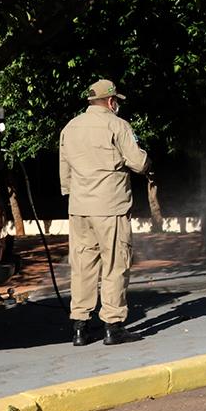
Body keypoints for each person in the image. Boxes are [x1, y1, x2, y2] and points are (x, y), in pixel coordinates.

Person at [59, 79, 150, 346]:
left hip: (79, 208)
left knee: (83, 265)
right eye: (116, 101)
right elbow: (138, 162)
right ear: (111, 102)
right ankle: (113, 325)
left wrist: (72, 194)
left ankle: (80, 326)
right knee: (115, 263)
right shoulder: (117, 125)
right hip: (110, 207)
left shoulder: (70, 127)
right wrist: (147, 162)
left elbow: (65, 171)